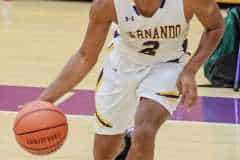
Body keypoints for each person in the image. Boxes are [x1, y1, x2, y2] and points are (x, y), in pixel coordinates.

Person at [23, 0, 224, 159]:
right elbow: (85, 56)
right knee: (104, 153)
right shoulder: (106, 5)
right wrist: (44, 100)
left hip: (168, 65)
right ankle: (126, 143)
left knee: (144, 130)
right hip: (122, 66)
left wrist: (190, 70)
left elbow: (215, 26)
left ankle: (134, 139)